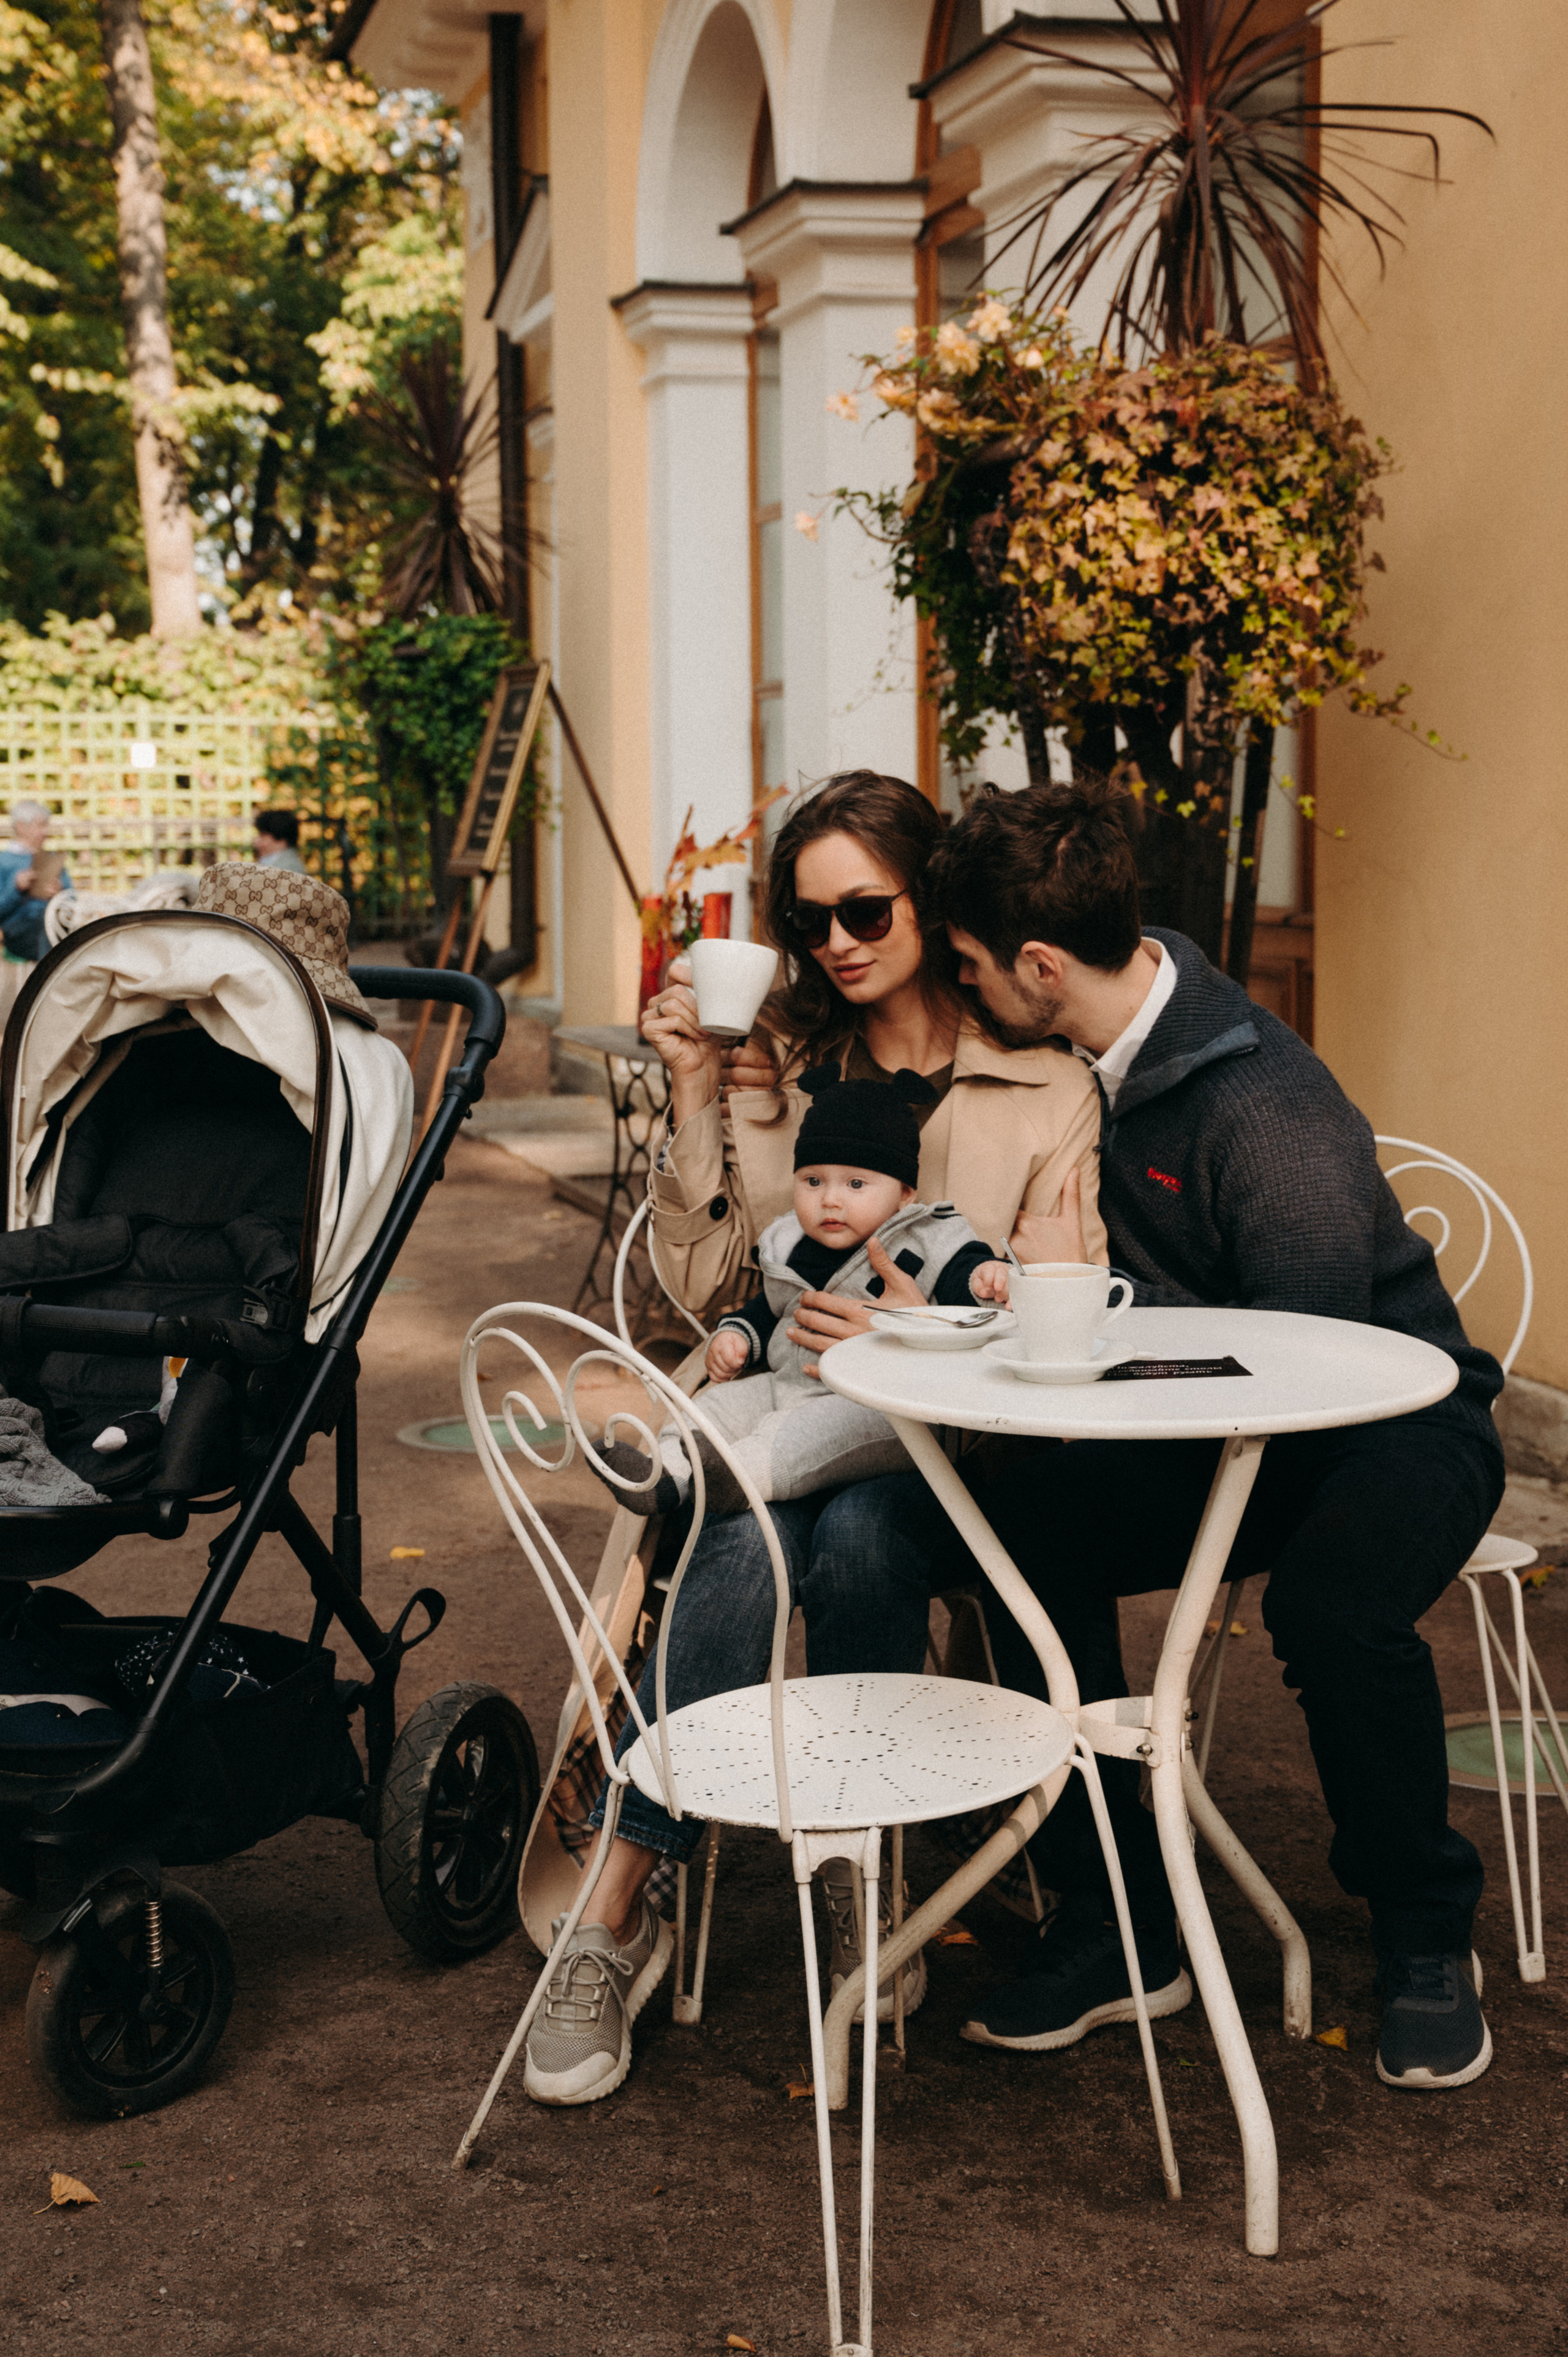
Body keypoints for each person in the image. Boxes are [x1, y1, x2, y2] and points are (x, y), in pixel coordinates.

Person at [521, 768, 1104, 2110]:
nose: (835, 941)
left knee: (841, 1531)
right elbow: (707, 1287)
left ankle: (848, 1872)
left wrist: (921, 1333)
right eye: (809, 918)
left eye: (864, 908)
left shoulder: (1042, 1080)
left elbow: (1064, 1306)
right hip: (789, 1421)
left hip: (968, 1448)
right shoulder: (782, 1060)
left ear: (926, 895)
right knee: (764, 1541)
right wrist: (693, 1097)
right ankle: (629, 1901)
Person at [931, 774, 1504, 2092]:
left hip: (1393, 1420)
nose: (963, 993)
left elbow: (1303, 1362)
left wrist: (1104, 1325)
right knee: (1009, 1531)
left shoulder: (1261, 1104)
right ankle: (1119, 1916)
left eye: (969, 968)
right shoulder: (1096, 1052)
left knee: (1329, 1608)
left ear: (1034, 965)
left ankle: (1423, 1931)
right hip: (1224, 1417)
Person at [591, 1066, 1010, 1520]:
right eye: (813, 1181)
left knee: (795, 1435)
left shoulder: (927, 1240)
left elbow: (966, 1292)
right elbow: (767, 1310)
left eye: (855, 1184)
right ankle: (666, 1476)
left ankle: (733, 1484)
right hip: (787, 1386)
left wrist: (986, 1277)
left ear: (905, 1193)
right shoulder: (790, 1244)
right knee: (713, 1406)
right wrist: (736, 1336)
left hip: (886, 1413)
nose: (830, 1199)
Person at [0, 798, 70, 1015]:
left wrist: (61, 894)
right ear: (21, 827)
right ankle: (46, 997)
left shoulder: (50, 860)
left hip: (53, 923)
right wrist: (15, 888)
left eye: (46, 825)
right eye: (40, 825)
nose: (45, 832)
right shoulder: (4, 862)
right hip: (19, 932)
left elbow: (72, 902)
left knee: (62, 924)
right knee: (44, 926)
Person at [252, 809, 308, 873]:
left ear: (282, 841)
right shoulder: (275, 863)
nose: (257, 842)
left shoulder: (287, 869)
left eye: (263, 836)